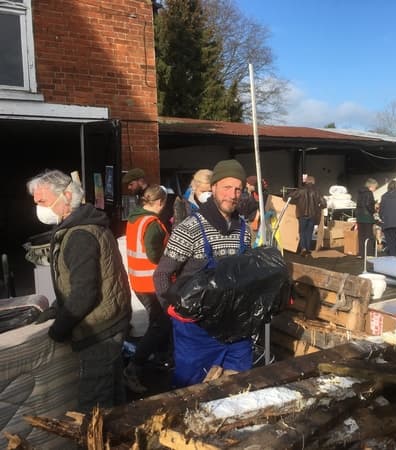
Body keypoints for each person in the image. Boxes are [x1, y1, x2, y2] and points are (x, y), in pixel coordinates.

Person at [27, 169, 131, 413]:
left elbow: (84, 293)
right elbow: (73, 282)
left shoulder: (80, 235)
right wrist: (55, 309)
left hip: (99, 329)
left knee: (94, 405)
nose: (38, 209)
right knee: (112, 394)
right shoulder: (83, 225)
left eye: (41, 201)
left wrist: (57, 330)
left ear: (65, 196)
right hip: (110, 322)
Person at [153, 159, 253, 388]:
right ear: (214, 187)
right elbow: (161, 275)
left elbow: (245, 273)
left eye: (238, 189)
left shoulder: (245, 230)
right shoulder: (190, 228)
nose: (233, 194)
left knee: (239, 388)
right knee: (191, 393)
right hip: (197, 333)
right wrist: (173, 312)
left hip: (236, 328)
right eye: (227, 187)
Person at [124, 184, 171, 394]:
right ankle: (135, 367)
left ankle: (161, 359)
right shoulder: (152, 223)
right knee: (161, 324)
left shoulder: (134, 219)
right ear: (160, 203)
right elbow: (154, 255)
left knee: (157, 323)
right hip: (152, 283)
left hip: (138, 281)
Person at [288, 175, 326, 257]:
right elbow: (324, 203)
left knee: (302, 232)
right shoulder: (317, 191)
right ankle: (308, 249)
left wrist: (295, 203)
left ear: (306, 181)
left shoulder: (300, 190)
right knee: (309, 232)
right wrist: (319, 207)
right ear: (313, 182)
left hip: (302, 214)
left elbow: (289, 197)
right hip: (312, 215)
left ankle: (303, 248)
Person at [355, 178, 379, 258]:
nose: (375, 189)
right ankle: (369, 253)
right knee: (369, 236)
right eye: (375, 187)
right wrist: (374, 210)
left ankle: (361, 254)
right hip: (367, 218)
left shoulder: (360, 193)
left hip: (359, 217)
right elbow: (368, 205)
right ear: (371, 186)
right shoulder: (369, 193)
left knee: (361, 236)